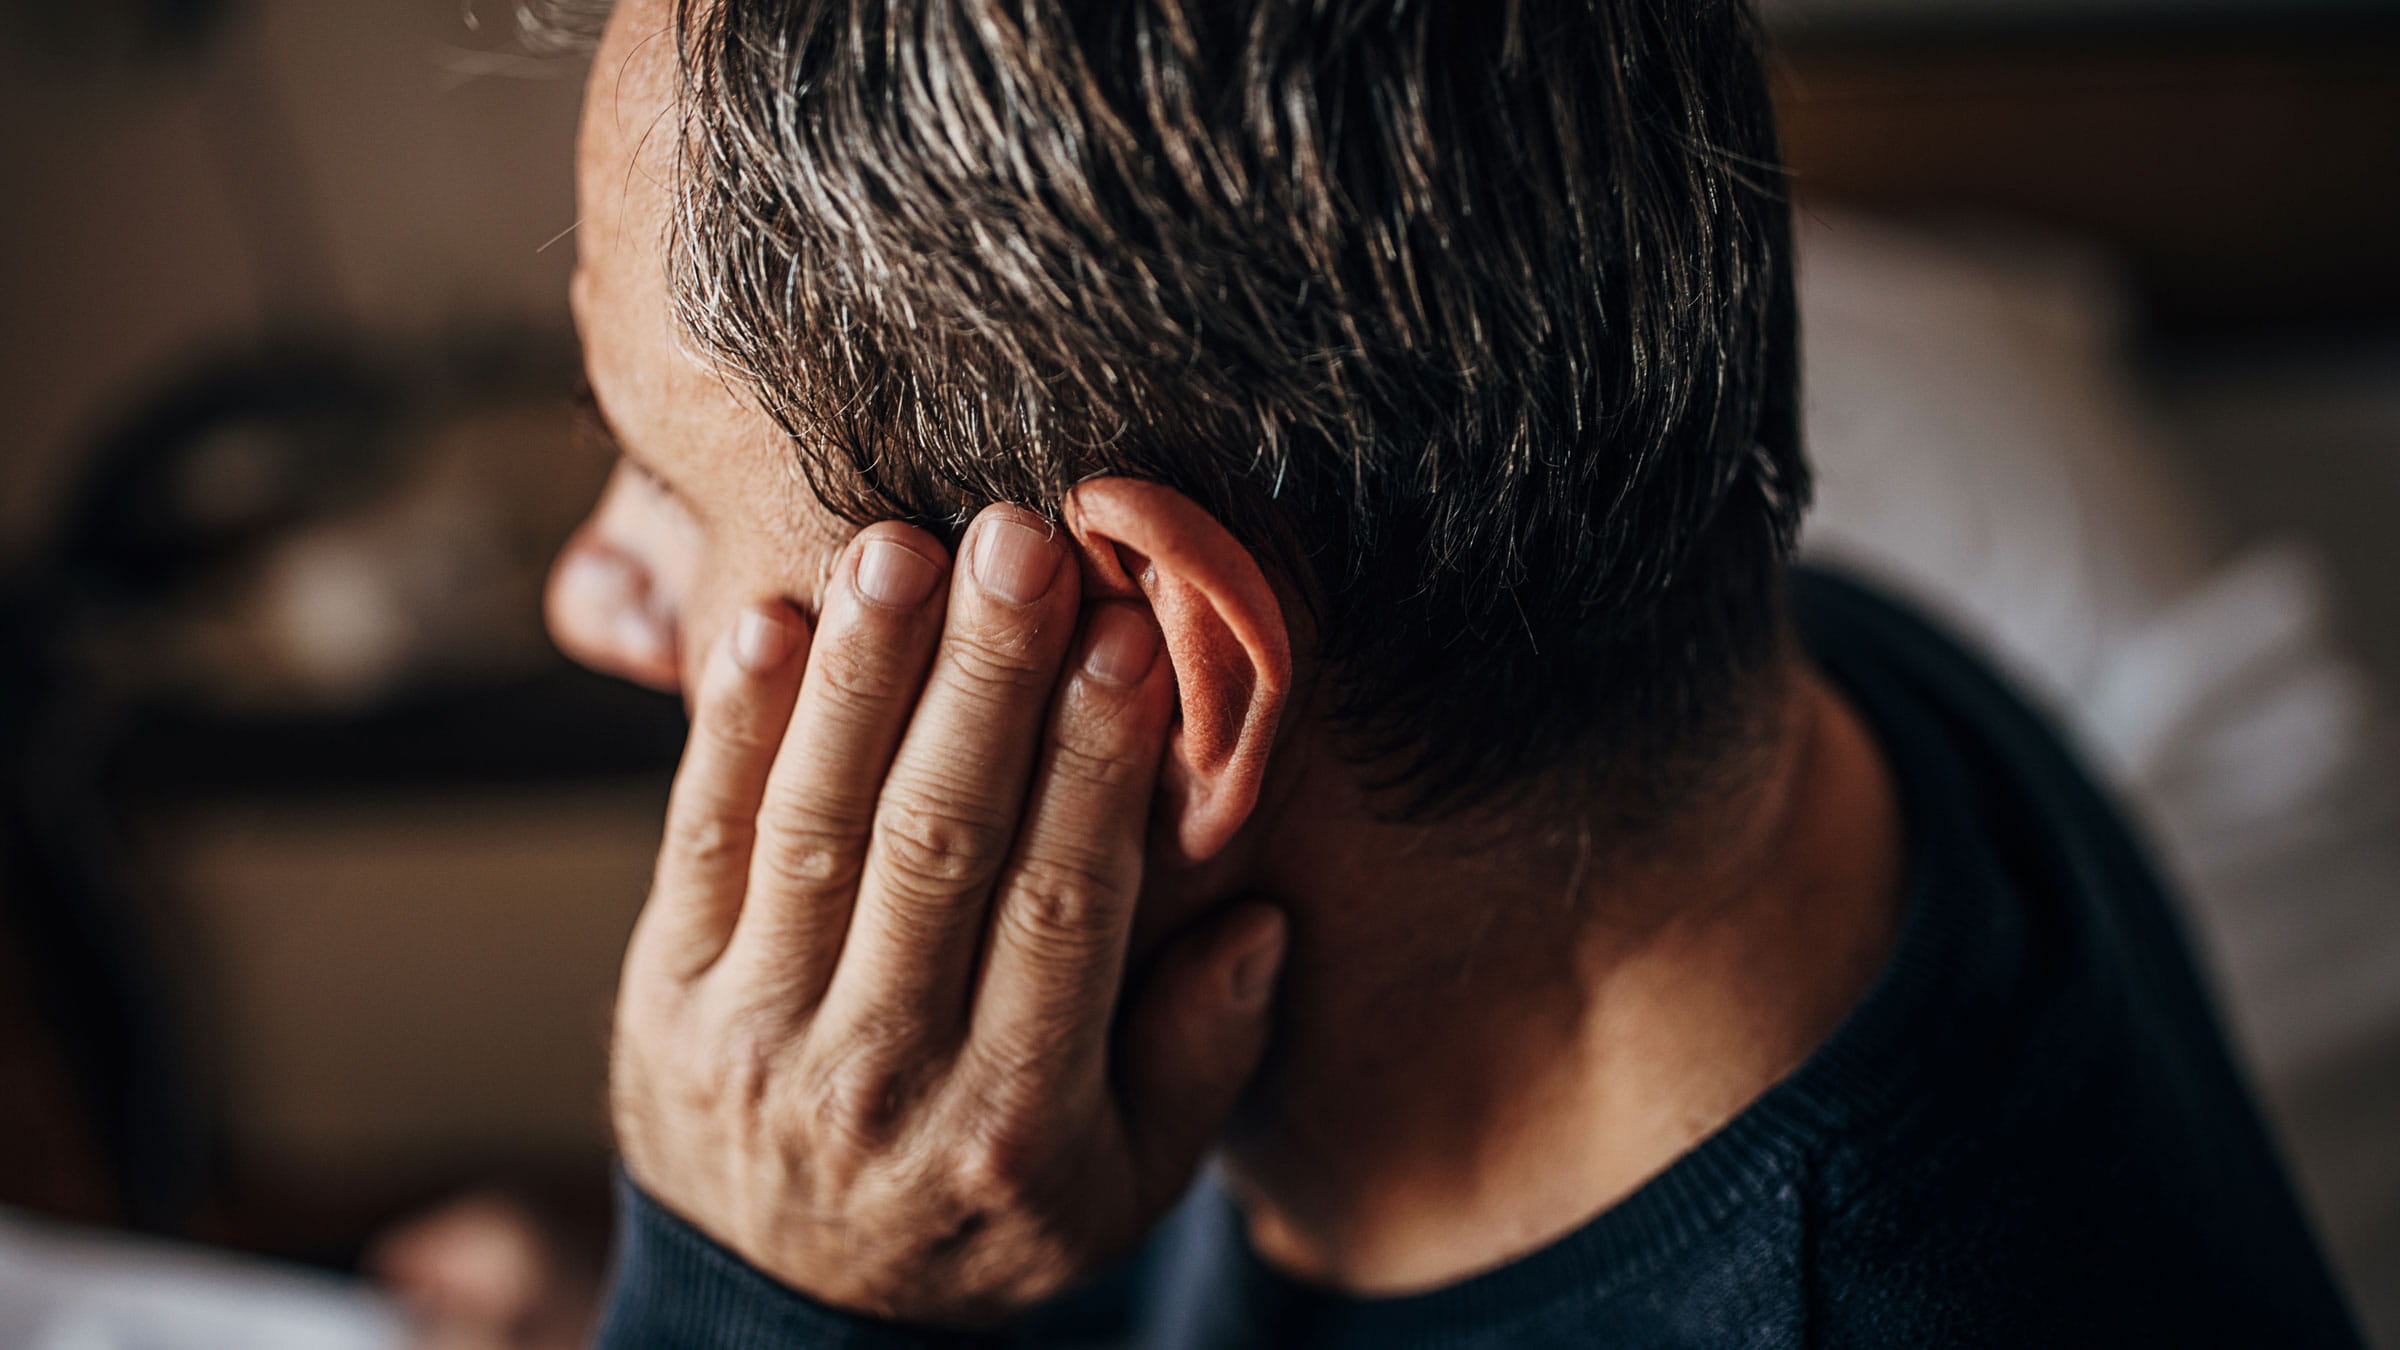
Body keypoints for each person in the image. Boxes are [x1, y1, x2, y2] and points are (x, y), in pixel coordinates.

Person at [540, 0, 2366, 1344]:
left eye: (677, 488)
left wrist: (744, 1296)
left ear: (1152, 672)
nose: (592, 593)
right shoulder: (1812, 691)